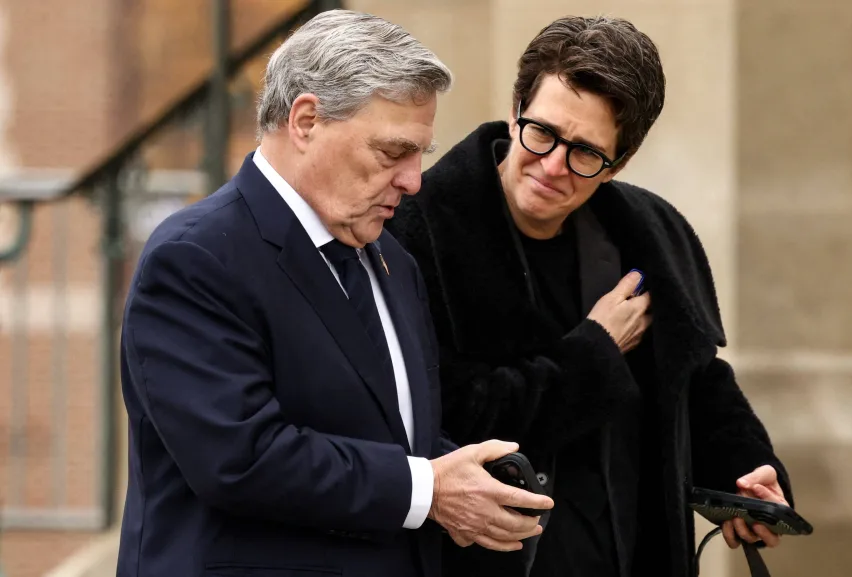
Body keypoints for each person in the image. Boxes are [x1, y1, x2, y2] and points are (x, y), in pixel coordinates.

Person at [115, 10, 553, 577]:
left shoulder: (391, 257)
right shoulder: (196, 257)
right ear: (305, 120)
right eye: (392, 152)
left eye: (421, 153)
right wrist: (429, 488)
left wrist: (468, 475)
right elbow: (241, 460)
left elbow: (386, 435)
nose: (413, 180)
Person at [387, 15, 795, 577]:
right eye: (543, 133)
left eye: (585, 153)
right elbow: (442, 419)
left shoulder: (651, 233)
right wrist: (596, 351)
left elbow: (697, 385)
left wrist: (747, 470)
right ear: (515, 109)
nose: (552, 166)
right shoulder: (415, 233)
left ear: (619, 162)